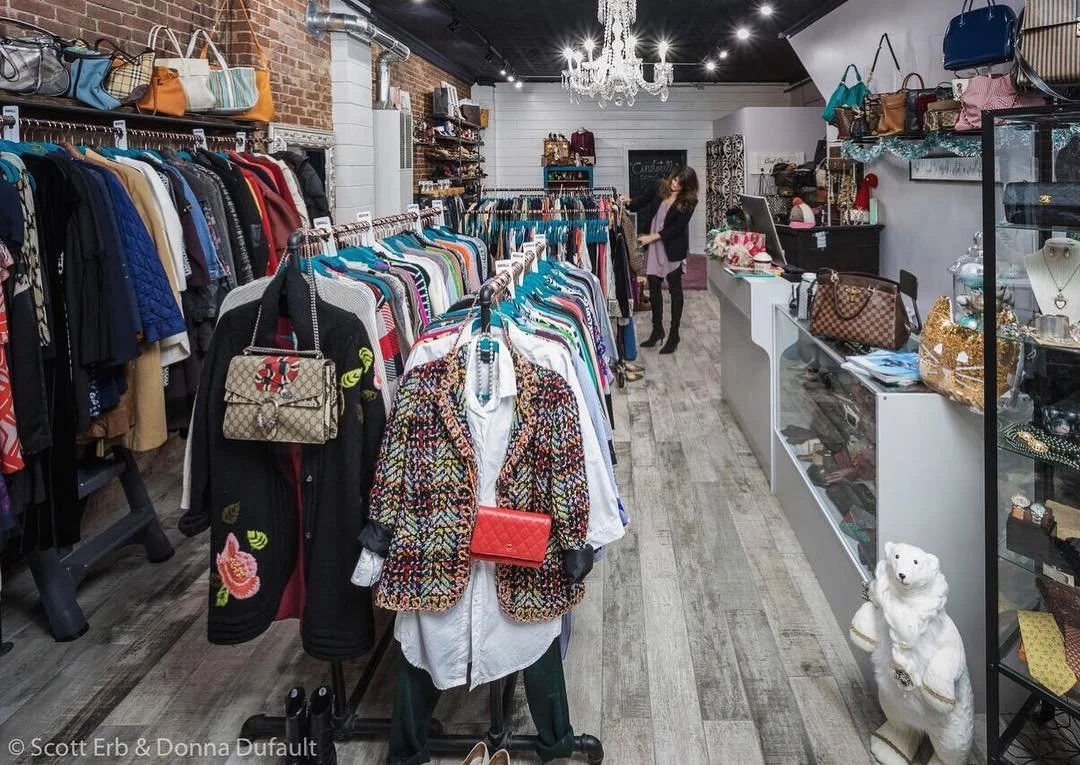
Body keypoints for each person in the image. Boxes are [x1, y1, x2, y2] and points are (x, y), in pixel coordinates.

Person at [622, 166, 699, 354]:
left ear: (687, 187)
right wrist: (627, 201)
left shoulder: (690, 201)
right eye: (674, 180)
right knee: (654, 288)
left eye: (680, 184)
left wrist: (651, 237)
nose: (675, 185)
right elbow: (640, 202)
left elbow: (677, 228)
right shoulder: (659, 186)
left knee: (675, 291)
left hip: (671, 248)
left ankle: (674, 335)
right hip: (655, 248)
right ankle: (657, 330)